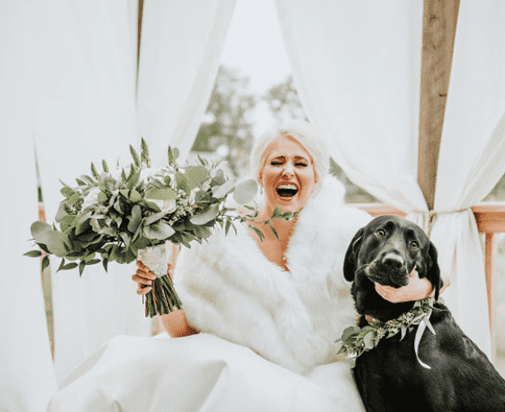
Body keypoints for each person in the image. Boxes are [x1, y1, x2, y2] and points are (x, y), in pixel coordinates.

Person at [47, 120, 448, 412]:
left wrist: (419, 290)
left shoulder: (354, 231)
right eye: (276, 161)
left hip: (322, 375)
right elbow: (181, 331)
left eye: (300, 163)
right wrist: (159, 283)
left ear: (318, 178)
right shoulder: (215, 236)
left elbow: (426, 281)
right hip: (230, 363)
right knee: (148, 371)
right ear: (259, 173)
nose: (288, 170)